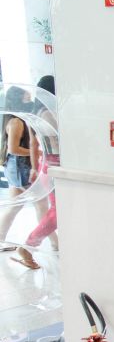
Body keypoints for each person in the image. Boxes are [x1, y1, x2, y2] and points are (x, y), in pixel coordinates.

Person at [14, 75, 60, 270]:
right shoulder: (48, 114)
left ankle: (33, 246)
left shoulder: (35, 111)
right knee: (57, 212)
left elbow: (34, 143)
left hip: (47, 164)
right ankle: (29, 245)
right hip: (56, 165)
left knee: (55, 210)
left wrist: (35, 166)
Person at [0, 86, 35, 252]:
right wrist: (36, 152)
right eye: (27, 98)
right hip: (20, 168)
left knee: (16, 206)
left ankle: (1, 239)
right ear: (19, 99)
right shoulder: (16, 122)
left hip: (16, 167)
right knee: (38, 205)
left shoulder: (15, 120)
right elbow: (14, 149)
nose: (31, 101)